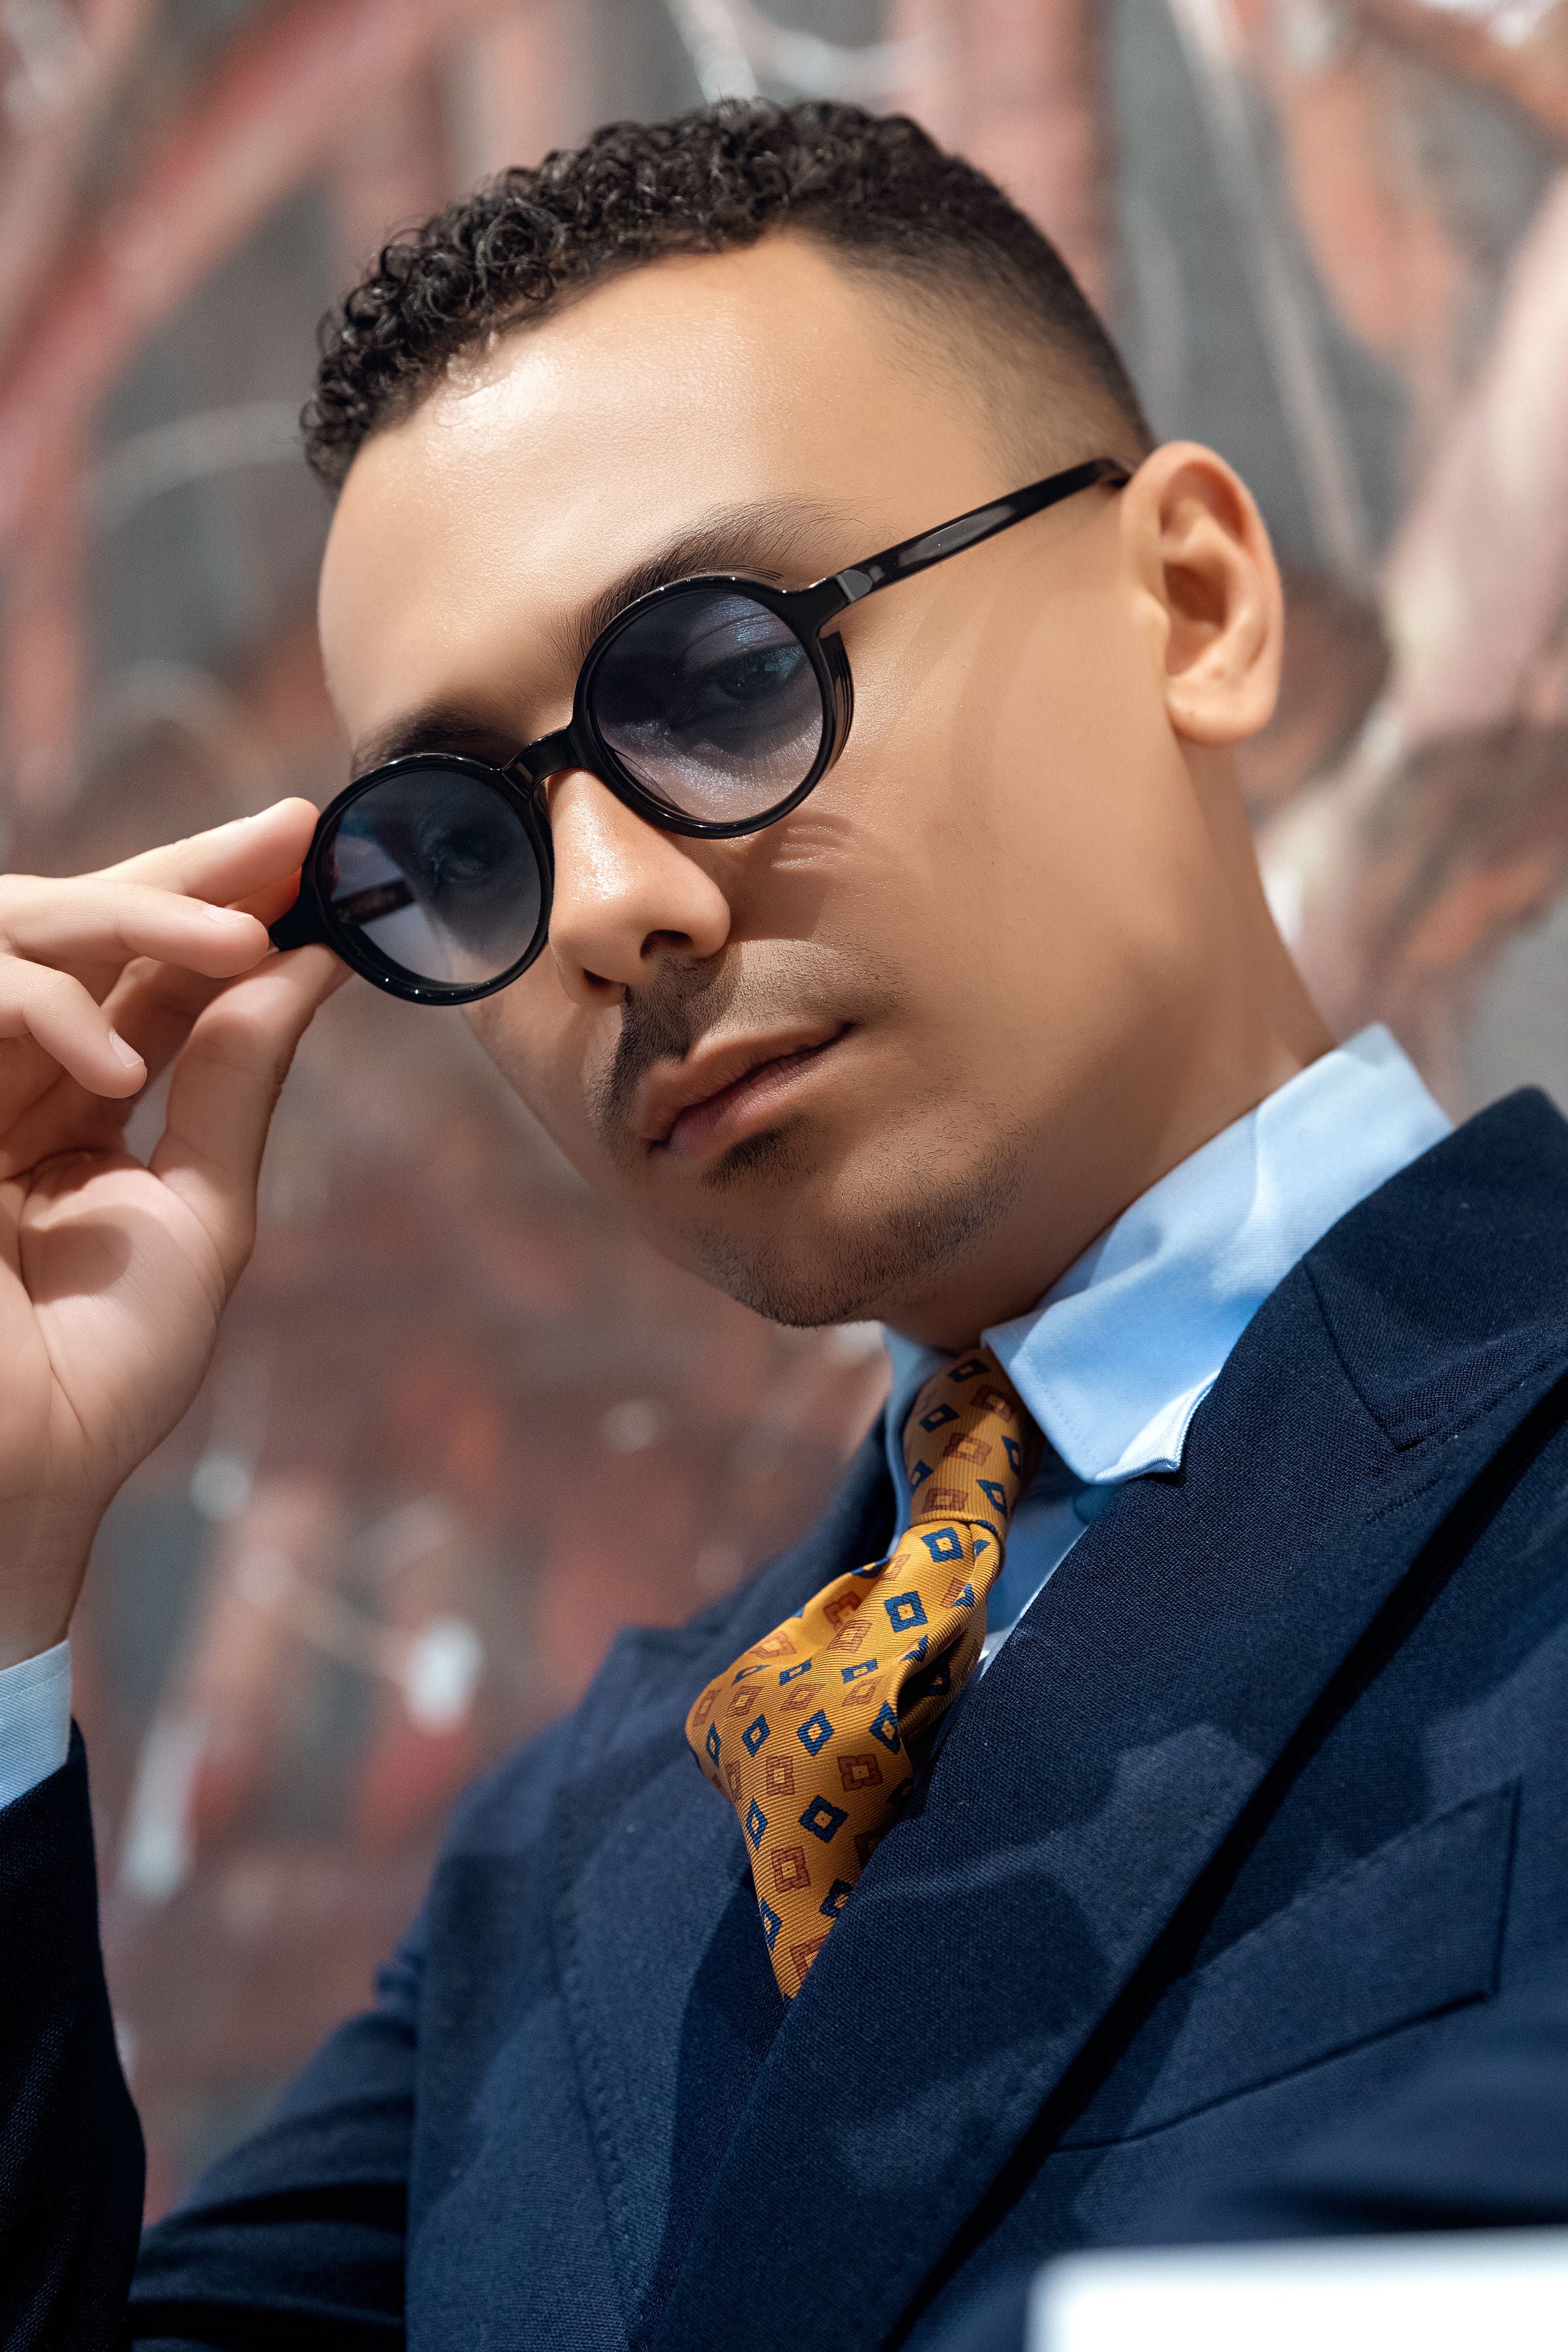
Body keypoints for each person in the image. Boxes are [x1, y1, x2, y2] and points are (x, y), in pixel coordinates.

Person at [1, 98, 1566, 2352]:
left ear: (1194, 603)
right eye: (462, 842)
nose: (606, 910)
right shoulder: (583, 1860)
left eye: (726, 682)